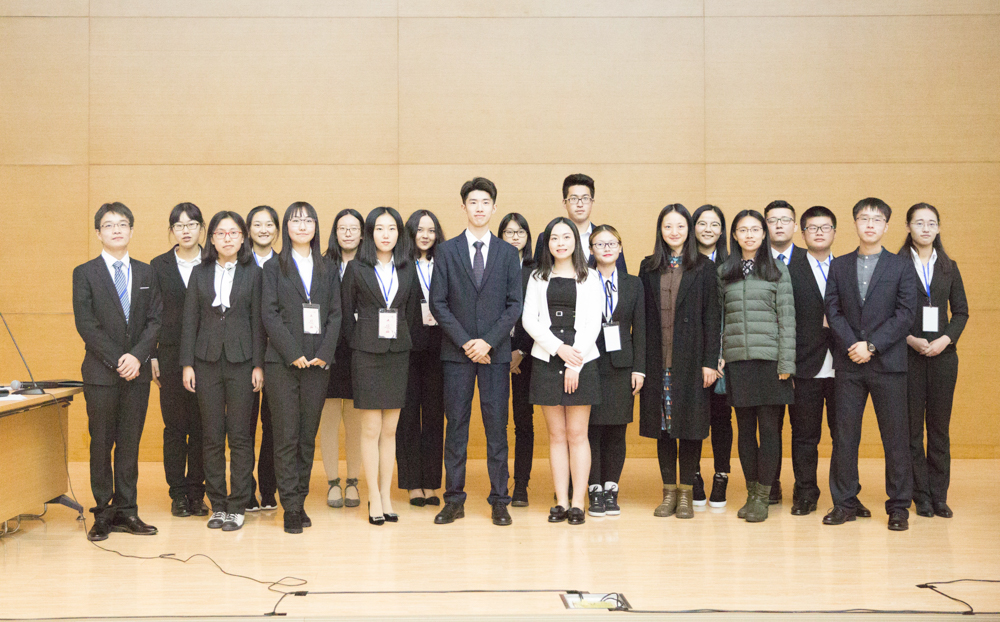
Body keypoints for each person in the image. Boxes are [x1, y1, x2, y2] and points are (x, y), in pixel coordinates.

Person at [428, 177, 523, 527]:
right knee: (456, 427)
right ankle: (454, 499)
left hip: (495, 355)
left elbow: (514, 305)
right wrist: (467, 342)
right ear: (463, 207)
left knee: (498, 428)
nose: (479, 208)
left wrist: (488, 342)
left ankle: (500, 500)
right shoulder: (446, 251)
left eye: (485, 202)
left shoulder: (508, 253)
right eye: (473, 202)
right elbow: (438, 303)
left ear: (494, 207)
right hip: (457, 355)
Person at [824, 197, 918, 532]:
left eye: (877, 219)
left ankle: (899, 506)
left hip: (888, 364)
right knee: (845, 437)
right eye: (864, 218)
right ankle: (845, 503)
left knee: (895, 438)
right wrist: (854, 345)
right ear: (855, 223)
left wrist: (873, 346)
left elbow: (906, 314)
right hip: (849, 363)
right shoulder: (839, 265)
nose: (870, 224)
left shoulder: (901, 266)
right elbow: (832, 310)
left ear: (886, 226)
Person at [73, 202, 163, 541]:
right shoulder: (85, 273)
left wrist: (137, 357)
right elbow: (87, 324)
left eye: (122, 224)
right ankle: (103, 514)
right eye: (109, 225)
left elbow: (156, 320)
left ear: (131, 230)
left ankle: (128, 511)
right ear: (98, 233)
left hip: (137, 374)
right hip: (101, 374)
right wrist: (119, 360)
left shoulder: (146, 272)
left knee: (129, 444)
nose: (116, 230)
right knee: (101, 443)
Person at [180, 211, 265, 531]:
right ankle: (217, 503)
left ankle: (238, 504)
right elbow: (190, 319)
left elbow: (259, 322)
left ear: (243, 238)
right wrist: (187, 363)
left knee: (241, 436)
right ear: (211, 238)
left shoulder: (254, 273)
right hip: (206, 361)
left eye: (233, 233)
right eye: (220, 233)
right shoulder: (199, 272)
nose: (227, 238)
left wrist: (259, 364)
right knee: (212, 435)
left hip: (243, 362)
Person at [262, 202, 342, 534]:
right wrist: (292, 352)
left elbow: (336, 314)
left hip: (318, 364)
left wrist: (324, 353)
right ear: (286, 227)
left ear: (316, 226)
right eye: (296, 221)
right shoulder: (273, 267)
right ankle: (290, 507)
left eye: (308, 220)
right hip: (282, 363)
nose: (302, 225)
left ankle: (301, 499)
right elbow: (269, 314)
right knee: (286, 436)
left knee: (307, 437)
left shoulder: (328, 267)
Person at [639, 205, 721, 520]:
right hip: (657, 361)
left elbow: (712, 318)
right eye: (668, 226)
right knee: (663, 429)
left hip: (691, 361)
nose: (674, 232)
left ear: (689, 230)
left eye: (680, 226)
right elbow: (641, 319)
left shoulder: (704, 267)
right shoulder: (648, 267)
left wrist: (710, 361)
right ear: (660, 230)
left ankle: (686, 493)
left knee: (689, 427)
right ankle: (668, 493)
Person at [718, 209, 795, 523]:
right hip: (738, 362)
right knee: (745, 432)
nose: (749, 235)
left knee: (770, 430)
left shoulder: (777, 270)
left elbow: (787, 319)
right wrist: (720, 355)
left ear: (764, 235)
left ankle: (764, 495)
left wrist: (786, 362)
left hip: (771, 363)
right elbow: (720, 320)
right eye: (742, 230)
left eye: (755, 229)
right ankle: (752, 492)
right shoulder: (725, 272)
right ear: (735, 236)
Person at [342, 207, 415, 525]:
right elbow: (346, 315)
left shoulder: (407, 267)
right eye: (380, 228)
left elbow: (410, 312)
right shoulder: (356, 268)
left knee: (390, 430)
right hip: (367, 355)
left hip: (397, 354)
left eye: (392, 228)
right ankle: (372, 494)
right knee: (371, 429)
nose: (386, 234)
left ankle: (386, 495)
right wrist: (360, 341)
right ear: (370, 233)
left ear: (400, 233)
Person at [901, 203, 967, 519]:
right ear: (908, 227)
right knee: (912, 432)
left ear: (938, 228)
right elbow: (886, 312)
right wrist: (909, 339)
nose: (925, 228)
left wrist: (946, 339)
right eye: (919, 223)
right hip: (908, 357)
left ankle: (939, 496)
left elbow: (962, 312)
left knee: (939, 429)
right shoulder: (896, 265)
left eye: (931, 223)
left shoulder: (949, 267)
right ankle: (921, 496)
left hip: (943, 359)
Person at [787, 206, 850, 516]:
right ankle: (805, 493)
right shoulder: (789, 271)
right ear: (803, 234)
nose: (820, 232)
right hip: (805, 363)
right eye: (813, 228)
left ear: (835, 232)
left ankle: (846, 496)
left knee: (844, 436)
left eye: (826, 227)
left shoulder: (848, 268)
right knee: (804, 436)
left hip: (845, 364)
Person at [150, 203, 208, 518]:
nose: (186, 231)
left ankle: (197, 492)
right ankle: (177, 494)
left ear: (202, 228)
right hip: (170, 355)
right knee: (174, 427)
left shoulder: (214, 261)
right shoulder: (158, 266)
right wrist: (152, 354)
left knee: (202, 427)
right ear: (171, 230)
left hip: (207, 356)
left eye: (192, 224)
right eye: (179, 225)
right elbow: (150, 315)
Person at [586, 225, 645, 517]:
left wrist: (640, 369)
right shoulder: (582, 280)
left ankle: (611, 488)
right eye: (600, 244)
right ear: (591, 250)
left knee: (616, 430)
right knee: (591, 429)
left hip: (623, 366)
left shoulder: (633, 283)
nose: (606, 248)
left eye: (612, 243)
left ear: (620, 248)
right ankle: (594, 488)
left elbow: (641, 329)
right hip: (590, 363)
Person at [396, 210, 446, 507]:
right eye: (420, 229)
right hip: (407, 348)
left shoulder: (446, 262)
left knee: (435, 416)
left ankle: (431, 482)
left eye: (431, 230)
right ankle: (412, 483)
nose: (426, 235)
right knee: (408, 416)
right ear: (410, 232)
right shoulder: (400, 264)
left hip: (440, 348)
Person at [319, 209, 365, 509]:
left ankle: (353, 482)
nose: (348, 233)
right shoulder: (323, 265)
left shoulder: (371, 265)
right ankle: (333, 481)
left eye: (353, 228)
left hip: (361, 351)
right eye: (342, 228)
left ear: (362, 234)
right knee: (329, 419)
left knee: (356, 422)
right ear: (335, 233)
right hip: (328, 350)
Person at [691, 204, 731, 507]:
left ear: (722, 231)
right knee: (692, 415)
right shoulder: (684, 264)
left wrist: (723, 351)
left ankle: (721, 475)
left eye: (714, 224)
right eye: (702, 223)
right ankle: (692, 475)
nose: (708, 229)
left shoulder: (732, 264)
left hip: (726, 355)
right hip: (692, 353)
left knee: (721, 417)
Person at [763, 199, 802, 505]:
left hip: (806, 358)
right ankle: (770, 483)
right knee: (769, 427)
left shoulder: (809, 260)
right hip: (766, 360)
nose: (779, 225)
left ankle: (804, 488)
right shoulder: (754, 261)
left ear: (795, 225)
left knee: (802, 429)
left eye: (785, 220)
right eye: (772, 220)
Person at [498, 212, 537, 506]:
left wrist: (521, 351)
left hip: (528, 356)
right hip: (496, 353)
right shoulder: (491, 266)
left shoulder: (537, 270)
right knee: (497, 422)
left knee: (523, 422)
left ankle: (521, 484)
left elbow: (540, 315)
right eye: (509, 232)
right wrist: (502, 349)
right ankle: (499, 483)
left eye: (520, 232)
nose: (515, 237)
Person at [245, 205, 279, 512]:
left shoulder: (286, 265)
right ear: (248, 230)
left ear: (277, 230)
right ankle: (246, 490)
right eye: (258, 224)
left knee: (274, 426)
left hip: (278, 357)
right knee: (243, 426)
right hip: (243, 357)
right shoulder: (237, 263)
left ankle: (269, 489)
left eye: (269, 224)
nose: (264, 229)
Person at [534, 174, 627, 272]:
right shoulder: (546, 237)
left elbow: (622, 276)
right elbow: (537, 274)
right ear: (564, 203)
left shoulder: (610, 238)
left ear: (592, 202)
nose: (580, 204)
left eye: (585, 198)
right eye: (574, 199)